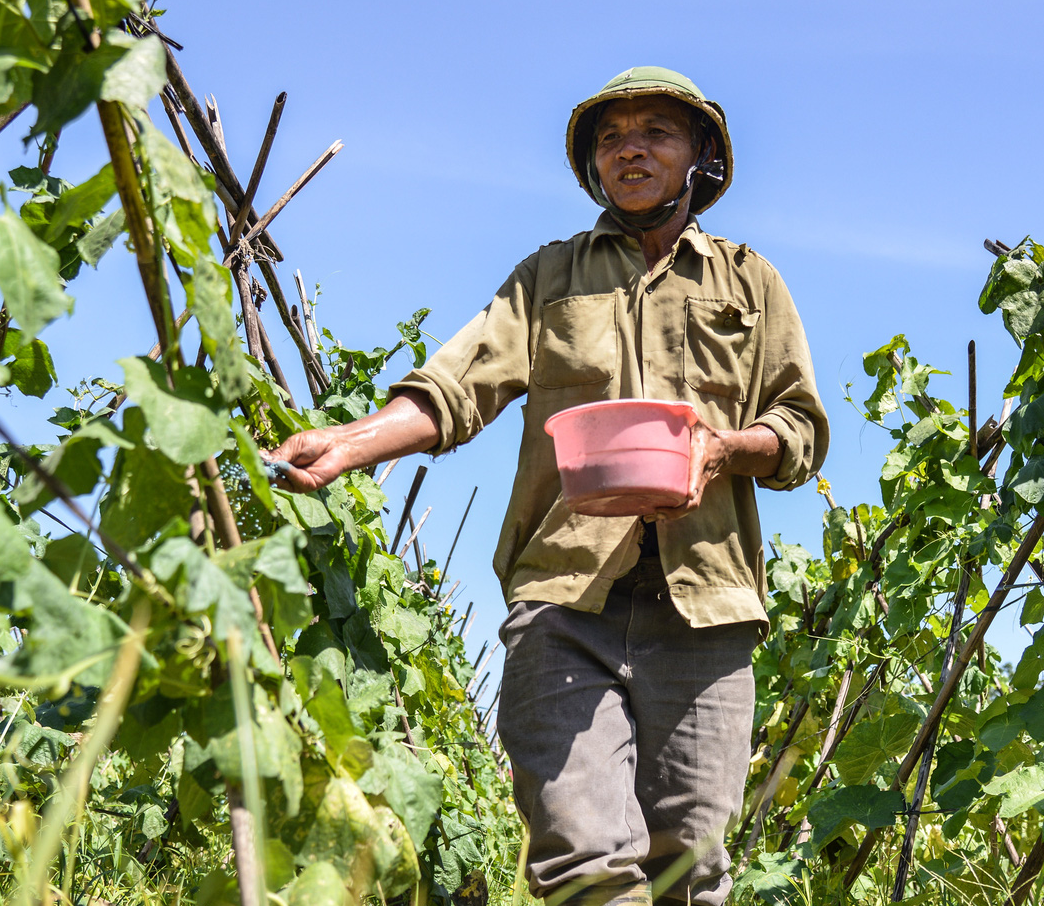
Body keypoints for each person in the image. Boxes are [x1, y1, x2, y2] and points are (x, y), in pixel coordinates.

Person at [266, 67, 829, 906]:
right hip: (566, 598)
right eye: (611, 136)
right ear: (590, 163)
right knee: (579, 856)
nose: (630, 148)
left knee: (691, 867)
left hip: (705, 609)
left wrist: (725, 447)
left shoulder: (749, 283)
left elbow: (801, 430)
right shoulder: (548, 278)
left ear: (700, 156)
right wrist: (348, 445)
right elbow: (456, 389)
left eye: (656, 132)